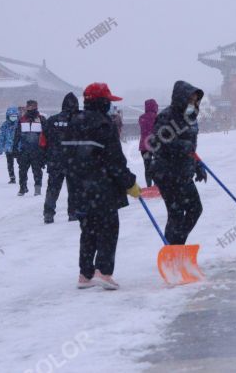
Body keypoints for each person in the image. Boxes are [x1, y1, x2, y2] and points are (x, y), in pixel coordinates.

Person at [62, 83, 140, 289]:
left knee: (88, 230)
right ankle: (104, 272)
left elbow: (63, 156)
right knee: (108, 228)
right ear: (102, 102)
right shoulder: (104, 125)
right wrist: (129, 183)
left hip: (78, 187)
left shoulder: (72, 123)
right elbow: (115, 161)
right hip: (102, 187)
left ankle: (85, 274)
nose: (110, 106)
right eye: (108, 102)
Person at [150, 81, 206, 245]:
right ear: (182, 99)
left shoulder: (191, 118)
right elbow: (155, 143)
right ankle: (171, 250)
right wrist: (181, 147)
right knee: (176, 213)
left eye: (196, 100)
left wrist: (197, 165)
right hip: (166, 172)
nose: (194, 104)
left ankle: (177, 245)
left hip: (184, 171)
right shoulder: (167, 116)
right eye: (191, 100)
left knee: (195, 209)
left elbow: (191, 147)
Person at [42, 93, 80, 224]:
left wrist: (45, 156)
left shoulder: (51, 120)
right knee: (74, 188)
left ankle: (48, 213)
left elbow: (43, 141)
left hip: (55, 160)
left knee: (53, 187)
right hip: (73, 161)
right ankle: (73, 213)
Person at [14, 100, 47, 196]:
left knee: (37, 170)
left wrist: (46, 150)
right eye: (28, 106)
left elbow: (47, 135)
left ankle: (37, 189)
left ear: (36, 107)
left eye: (31, 106)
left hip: (37, 150)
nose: (29, 108)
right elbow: (17, 135)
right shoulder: (22, 119)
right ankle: (22, 188)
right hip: (24, 150)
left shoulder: (42, 119)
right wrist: (15, 148)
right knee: (22, 170)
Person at [0, 106, 20, 184]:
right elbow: (1, 137)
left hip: (18, 147)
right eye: (11, 116)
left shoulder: (20, 125)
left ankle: (22, 176)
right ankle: (12, 177)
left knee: (21, 164)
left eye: (15, 116)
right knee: (10, 164)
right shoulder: (5, 125)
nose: (13, 118)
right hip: (8, 148)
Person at [138, 99, 159, 187]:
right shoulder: (157, 117)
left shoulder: (141, 118)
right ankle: (156, 185)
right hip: (155, 146)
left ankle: (149, 186)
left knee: (147, 167)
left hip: (144, 146)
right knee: (157, 166)